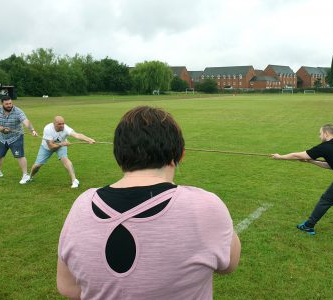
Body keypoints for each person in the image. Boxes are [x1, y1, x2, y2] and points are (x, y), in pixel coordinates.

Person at [57, 106, 241, 299]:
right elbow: (229, 265)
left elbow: (67, 286)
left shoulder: (82, 205)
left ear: (119, 155)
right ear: (179, 156)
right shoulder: (205, 206)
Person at [29, 116, 95, 188]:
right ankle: (30, 177)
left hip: (61, 145)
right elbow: (51, 147)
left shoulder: (66, 128)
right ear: (54, 124)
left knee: (65, 160)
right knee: (37, 166)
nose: (62, 126)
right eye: (59, 124)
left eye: (63, 123)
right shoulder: (48, 129)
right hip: (47, 147)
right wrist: (61, 144)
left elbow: (77, 135)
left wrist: (88, 139)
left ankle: (74, 180)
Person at [0, 96, 38, 184]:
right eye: (7, 104)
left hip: (16, 137)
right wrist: (0, 128)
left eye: (10, 103)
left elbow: (26, 121)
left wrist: (32, 130)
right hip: (2, 137)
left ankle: (25, 175)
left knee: (19, 155)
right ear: (2, 104)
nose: (9, 105)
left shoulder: (18, 111)